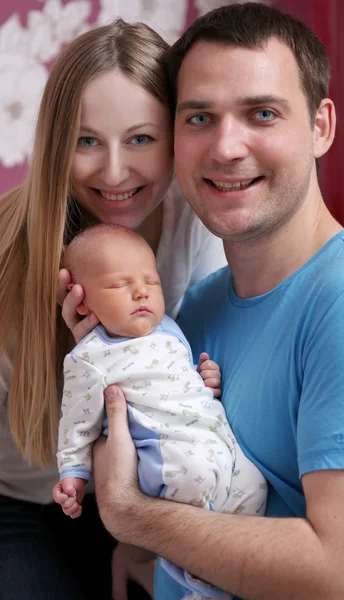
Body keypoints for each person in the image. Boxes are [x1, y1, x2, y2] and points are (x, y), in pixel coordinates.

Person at [0, 19, 226, 600]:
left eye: (142, 139)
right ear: (55, 144)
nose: (115, 172)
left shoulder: (198, 229)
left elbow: (194, 404)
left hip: (145, 495)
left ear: (176, 137)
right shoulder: (1, 256)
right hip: (16, 507)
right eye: (87, 140)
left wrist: (143, 536)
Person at [85, 3, 344, 600]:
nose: (226, 147)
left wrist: (128, 516)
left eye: (261, 113)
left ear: (320, 127)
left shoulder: (335, 302)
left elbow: (334, 571)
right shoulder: (193, 311)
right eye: (200, 117)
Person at [53, 224, 266, 600]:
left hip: (213, 436)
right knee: (198, 494)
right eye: (121, 285)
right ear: (83, 302)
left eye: (151, 282)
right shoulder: (90, 356)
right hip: (166, 453)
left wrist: (204, 381)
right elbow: (76, 419)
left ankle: (225, 580)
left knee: (253, 487)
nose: (141, 292)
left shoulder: (169, 329)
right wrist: (73, 472)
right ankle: (199, 583)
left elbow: (179, 382)